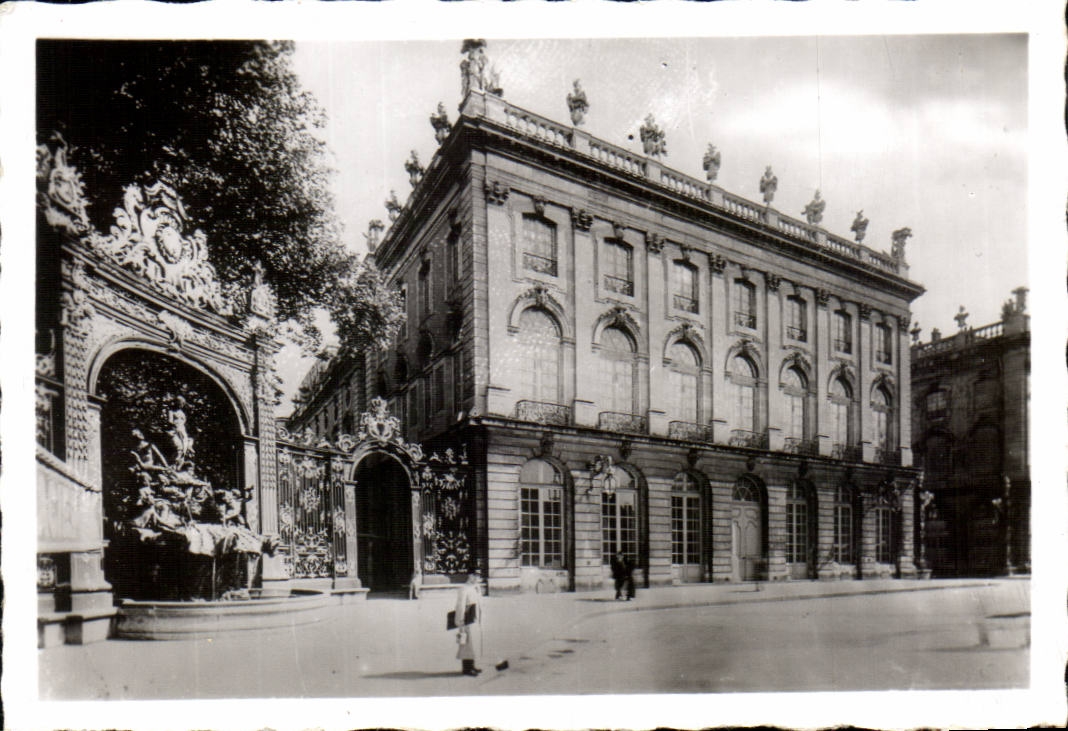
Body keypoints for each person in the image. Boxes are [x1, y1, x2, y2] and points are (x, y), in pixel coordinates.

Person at [454, 573, 482, 676]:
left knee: (473, 644)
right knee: (466, 644)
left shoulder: (475, 588)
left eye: (478, 576)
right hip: (466, 620)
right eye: (475, 576)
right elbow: (460, 605)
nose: (477, 578)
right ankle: (466, 669)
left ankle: (472, 666)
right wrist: (460, 620)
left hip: (474, 619)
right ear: (470, 576)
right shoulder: (464, 589)